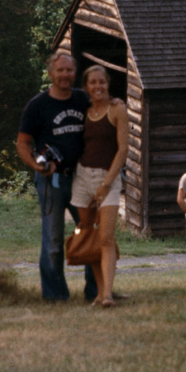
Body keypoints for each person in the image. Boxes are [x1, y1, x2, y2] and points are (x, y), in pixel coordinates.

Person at [17, 52, 97, 302]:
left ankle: (96, 291)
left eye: (69, 71)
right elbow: (22, 143)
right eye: (60, 70)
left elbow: (104, 110)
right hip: (52, 181)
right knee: (52, 240)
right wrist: (36, 165)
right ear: (51, 73)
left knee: (89, 233)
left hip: (81, 178)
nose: (65, 75)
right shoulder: (37, 105)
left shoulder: (83, 99)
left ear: (75, 73)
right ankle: (55, 296)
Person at [70, 65, 128, 308]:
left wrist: (105, 184)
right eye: (93, 83)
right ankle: (99, 292)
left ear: (108, 84)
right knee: (91, 235)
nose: (98, 87)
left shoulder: (117, 108)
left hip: (109, 178)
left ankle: (108, 295)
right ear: (86, 87)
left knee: (105, 238)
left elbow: (123, 150)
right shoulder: (83, 111)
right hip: (83, 177)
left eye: (102, 82)